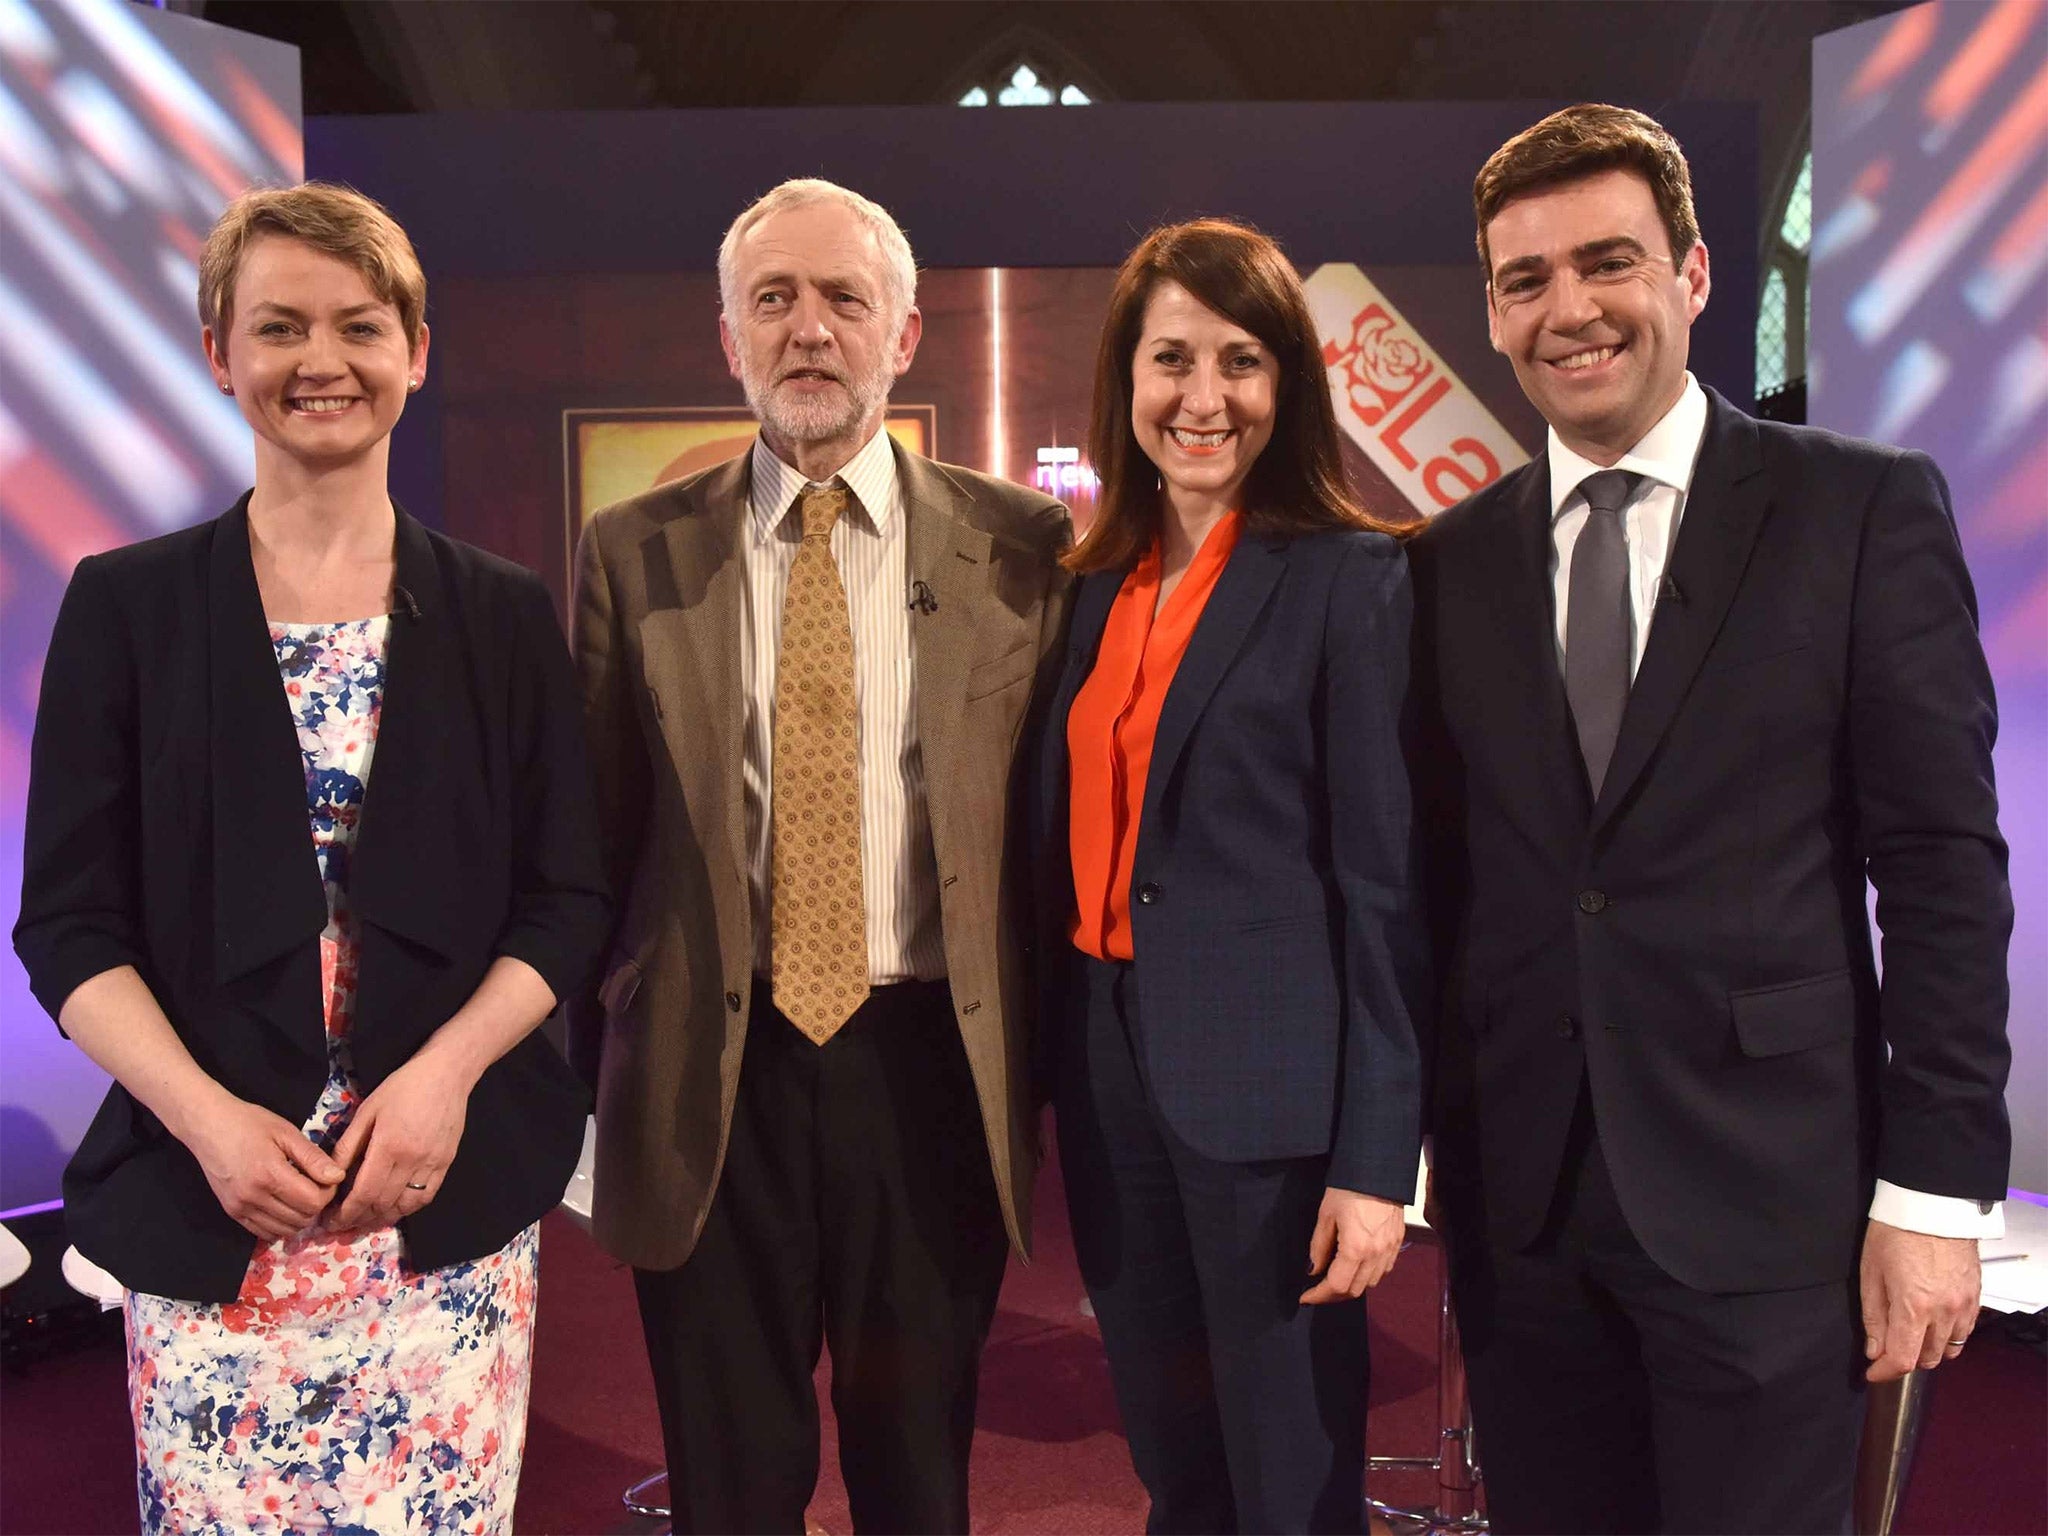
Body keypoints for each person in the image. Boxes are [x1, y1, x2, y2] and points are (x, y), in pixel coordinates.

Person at [1408, 103, 2013, 1534]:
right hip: (1526, 1212)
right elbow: (1440, 880)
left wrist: (1934, 1196)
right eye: (1525, 279)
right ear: (1493, 311)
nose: (1570, 310)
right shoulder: (1444, 563)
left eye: (1607, 263)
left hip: (1768, 1206)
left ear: (1691, 275)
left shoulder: (1859, 511)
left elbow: (1940, 869)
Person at [12, 182, 608, 1533]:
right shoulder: (127, 606)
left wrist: (448, 1079)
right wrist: (207, 1122)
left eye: (359, 325)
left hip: (442, 1213)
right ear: (219, 353)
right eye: (278, 327)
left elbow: (567, 902)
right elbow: (69, 928)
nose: (321, 361)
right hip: (215, 1211)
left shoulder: (504, 613)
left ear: (417, 350)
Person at [569, 177, 1070, 1535]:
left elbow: (1044, 843)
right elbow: (598, 841)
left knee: (922, 1480)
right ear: (728, 339)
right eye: (772, 301)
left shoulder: (1022, 547)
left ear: (904, 335)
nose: (809, 331)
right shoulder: (631, 553)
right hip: (706, 1086)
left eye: (845, 299)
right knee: (732, 1492)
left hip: (927, 1080)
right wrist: (577, 1099)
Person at [1031, 218, 1427, 1534]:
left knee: (1290, 1466)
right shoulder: (1090, 589)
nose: (1204, 399)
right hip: (1105, 1067)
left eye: (1242, 362)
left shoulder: (1347, 577)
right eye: (1172, 360)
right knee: (1168, 1443)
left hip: (1273, 1097)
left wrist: (1377, 1162)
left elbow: (1383, 887)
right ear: (1125, 383)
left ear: (1287, 387)